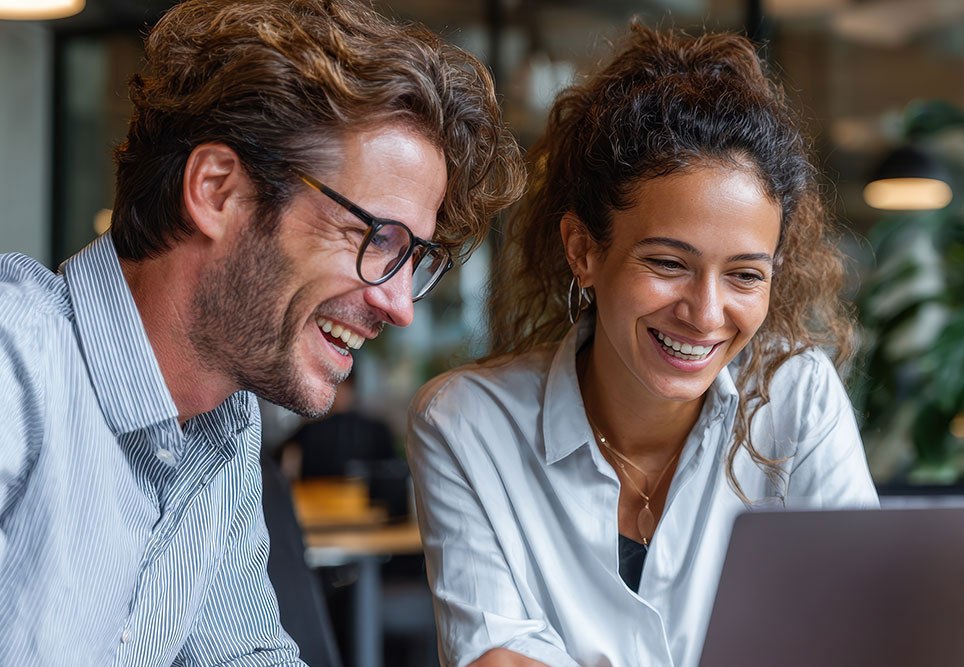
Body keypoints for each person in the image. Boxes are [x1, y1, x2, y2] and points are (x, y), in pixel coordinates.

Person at [0, 0, 524, 664]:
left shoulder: (226, 424)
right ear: (219, 191)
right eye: (376, 239)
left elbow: (244, 654)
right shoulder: (16, 364)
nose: (400, 306)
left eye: (413, 260)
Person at [406, 24, 878, 667]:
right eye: (667, 263)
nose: (706, 314)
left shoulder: (796, 395)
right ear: (584, 251)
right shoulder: (468, 423)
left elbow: (862, 628)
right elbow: (498, 655)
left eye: (745, 275)